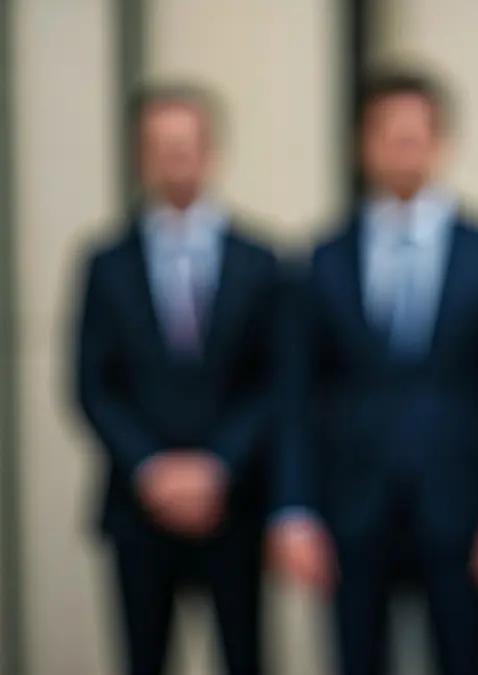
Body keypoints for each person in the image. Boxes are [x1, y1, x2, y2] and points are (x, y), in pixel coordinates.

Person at [268, 69, 478, 675]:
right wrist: (293, 508)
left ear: (441, 143)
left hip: (462, 504)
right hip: (352, 505)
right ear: (361, 144)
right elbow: (295, 395)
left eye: (414, 136)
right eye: (388, 136)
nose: (402, 149)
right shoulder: (322, 258)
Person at [73, 84, 281, 675]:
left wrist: (218, 465)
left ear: (211, 153)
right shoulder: (106, 264)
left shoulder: (260, 263)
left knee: (244, 654)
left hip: (234, 504)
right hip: (140, 506)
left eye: (185, 147)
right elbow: (92, 383)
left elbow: (274, 382)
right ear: (141, 156)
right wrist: (152, 468)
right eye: (160, 148)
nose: (174, 159)